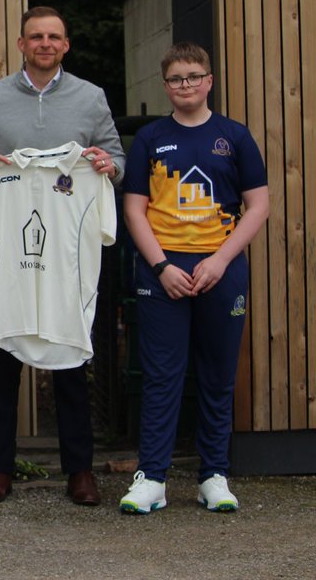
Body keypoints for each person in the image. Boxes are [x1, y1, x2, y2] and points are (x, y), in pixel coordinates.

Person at [0, 6, 123, 505]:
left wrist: (109, 164)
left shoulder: (91, 98)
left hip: (70, 249)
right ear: (22, 43)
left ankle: (80, 471)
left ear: (65, 45)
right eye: (36, 37)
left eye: (54, 37)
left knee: (70, 351)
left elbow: (118, 159)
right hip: (8, 247)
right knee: (4, 353)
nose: (45, 43)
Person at [118, 42, 268, 514]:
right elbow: (134, 209)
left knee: (218, 375)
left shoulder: (235, 136)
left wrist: (220, 260)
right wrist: (162, 266)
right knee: (162, 376)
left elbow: (258, 204)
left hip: (220, 267)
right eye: (176, 79)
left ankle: (213, 475)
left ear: (209, 81)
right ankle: (153, 478)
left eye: (193, 76)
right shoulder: (150, 138)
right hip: (163, 270)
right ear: (166, 86)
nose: (185, 85)